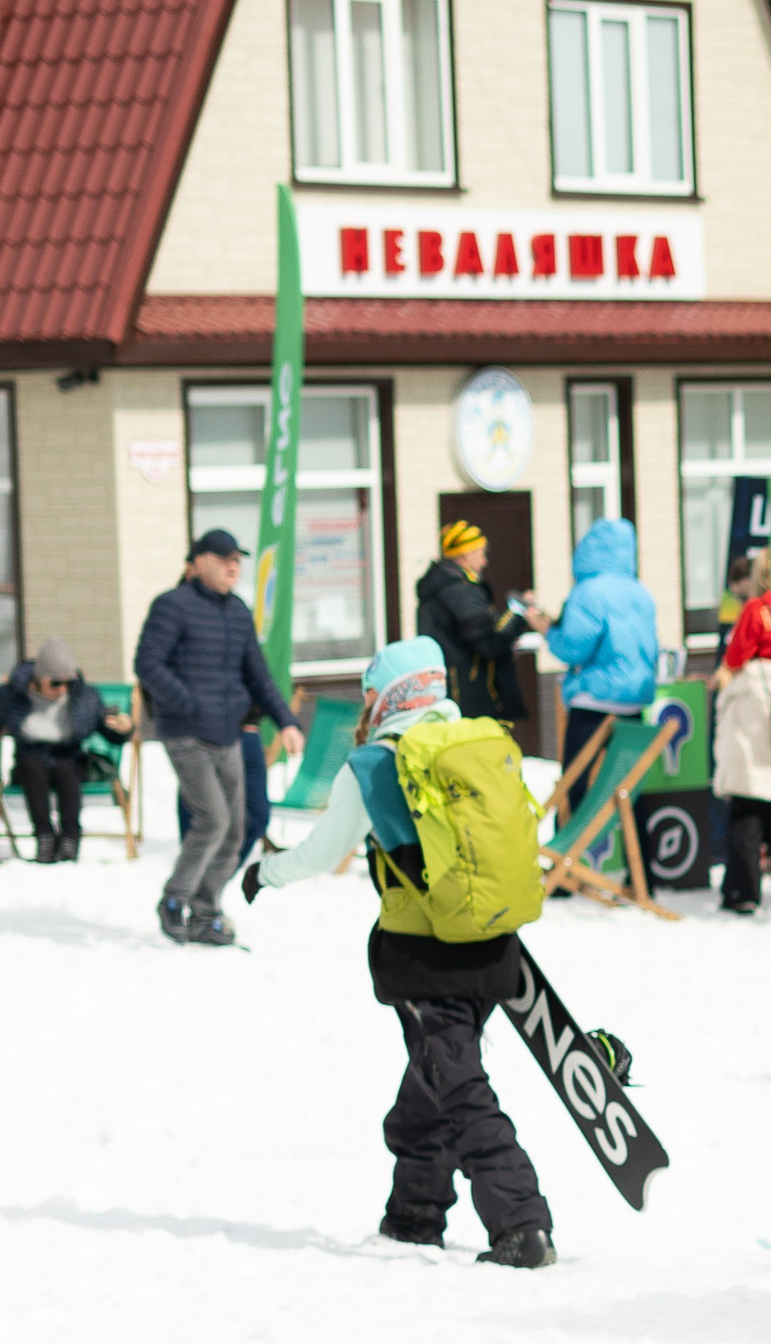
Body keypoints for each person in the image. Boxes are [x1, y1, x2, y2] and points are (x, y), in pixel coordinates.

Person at [240, 637, 556, 1268]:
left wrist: (264, 874)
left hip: (423, 957)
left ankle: (522, 1224)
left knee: (458, 1085)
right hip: (492, 944)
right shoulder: (476, 744)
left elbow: (321, 854)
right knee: (429, 1086)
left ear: (386, 695)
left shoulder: (377, 764)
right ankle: (413, 1217)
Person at [133, 530, 304, 945]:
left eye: (238, 559)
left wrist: (286, 721)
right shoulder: (173, 605)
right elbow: (148, 663)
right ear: (200, 561)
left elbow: (258, 675)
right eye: (225, 558)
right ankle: (174, 899)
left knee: (236, 829)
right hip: (185, 733)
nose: (234, 566)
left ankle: (205, 911)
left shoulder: (238, 612)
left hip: (227, 733)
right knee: (213, 819)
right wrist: (188, 703)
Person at [546, 517, 658, 814]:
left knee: (574, 785)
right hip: (633, 705)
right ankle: (641, 859)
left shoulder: (588, 591)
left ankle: (568, 855)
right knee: (632, 790)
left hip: (594, 701)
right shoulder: (640, 592)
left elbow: (573, 649)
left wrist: (547, 630)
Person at [1, 636, 133, 862]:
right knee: (32, 767)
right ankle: (44, 836)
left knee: (66, 768)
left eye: (67, 682)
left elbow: (109, 733)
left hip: (69, 756)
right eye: (55, 682)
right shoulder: (13, 695)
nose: (62, 689)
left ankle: (70, 838)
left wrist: (123, 729)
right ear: (39, 678)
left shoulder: (83, 696)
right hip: (29, 757)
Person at [415, 519, 548, 723]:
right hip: (469, 695)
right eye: (481, 553)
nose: (484, 562)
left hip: (454, 689)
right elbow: (490, 641)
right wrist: (519, 613)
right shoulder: (459, 591)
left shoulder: (442, 588)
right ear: (467, 554)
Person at [709, 550, 771, 913]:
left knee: (747, 799)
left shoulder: (755, 610)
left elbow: (735, 659)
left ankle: (742, 890)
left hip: (754, 704)